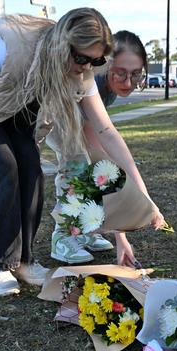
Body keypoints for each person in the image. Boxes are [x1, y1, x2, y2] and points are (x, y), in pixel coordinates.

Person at [0, 8, 165, 296]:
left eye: (96, 61)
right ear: (63, 45)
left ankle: (23, 260)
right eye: (82, 59)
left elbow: (107, 133)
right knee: (3, 168)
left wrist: (146, 201)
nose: (86, 67)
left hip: (12, 100)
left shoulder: (80, 70)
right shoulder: (10, 48)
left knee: (31, 171)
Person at [47, 30, 148, 267]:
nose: (128, 83)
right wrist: (121, 235)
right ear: (106, 62)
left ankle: (87, 230)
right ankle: (63, 237)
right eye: (120, 73)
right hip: (51, 117)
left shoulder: (108, 87)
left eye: (136, 74)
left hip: (73, 118)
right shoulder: (93, 80)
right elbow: (100, 155)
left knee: (91, 167)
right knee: (78, 166)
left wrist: (142, 194)